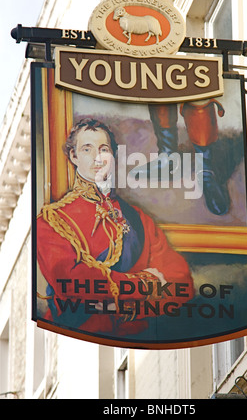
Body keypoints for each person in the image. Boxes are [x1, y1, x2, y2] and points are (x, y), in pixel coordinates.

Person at [36, 118, 194, 338]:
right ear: (74, 156)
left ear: (113, 156)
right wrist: (145, 284)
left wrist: (118, 298)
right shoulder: (52, 220)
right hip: (79, 337)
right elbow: (72, 284)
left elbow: (181, 280)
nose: (97, 157)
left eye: (104, 149)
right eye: (87, 149)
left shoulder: (138, 218)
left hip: (138, 337)